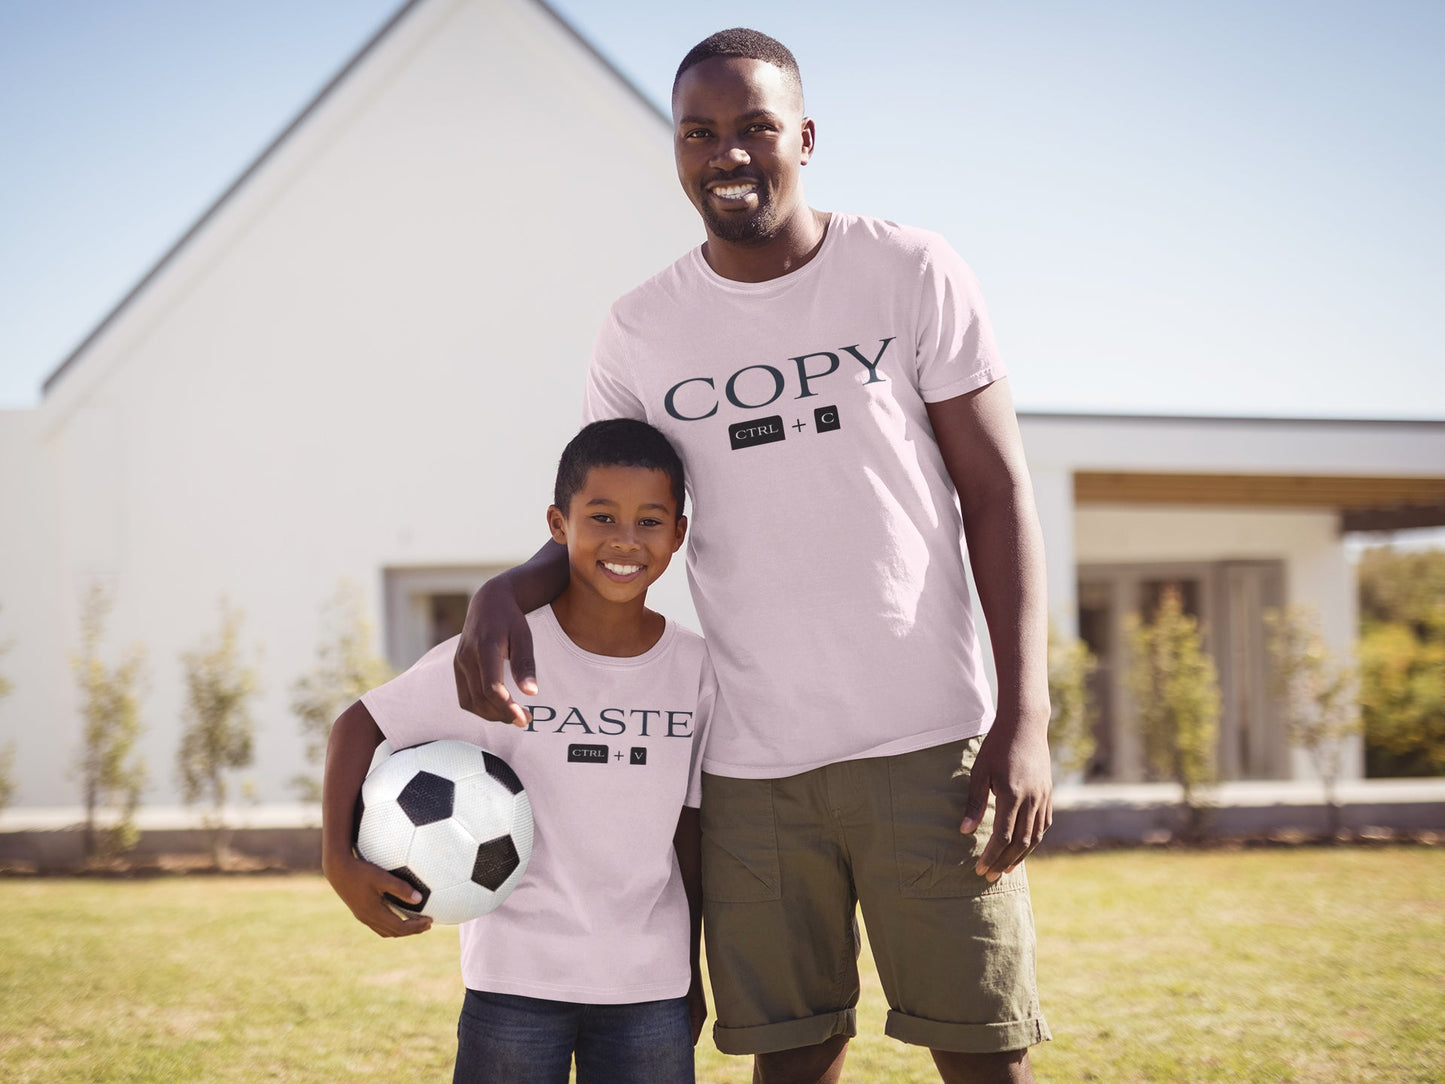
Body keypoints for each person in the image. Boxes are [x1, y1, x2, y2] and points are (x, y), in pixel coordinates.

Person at [453, 27, 1053, 1084]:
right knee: (789, 1055)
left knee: (981, 1053)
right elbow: (609, 527)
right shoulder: (640, 329)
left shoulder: (908, 269)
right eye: (699, 133)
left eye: (753, 128)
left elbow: (997, 494)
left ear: (804, 137)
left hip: (928, 746)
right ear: (676, 151)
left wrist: (1026, 716)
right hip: (749, 766)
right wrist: (509, 586)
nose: (727, 154)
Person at [322, 419, 714, 1084]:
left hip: (647, 984)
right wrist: (337, 857)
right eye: (601, 516)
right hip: (514, 980)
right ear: (558, 525)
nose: (624, 540)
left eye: (650, 521)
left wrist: (692, 967)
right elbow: (358, 725)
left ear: (678, 533)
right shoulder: (497, 652)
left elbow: (690, 830)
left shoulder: (696, 670)